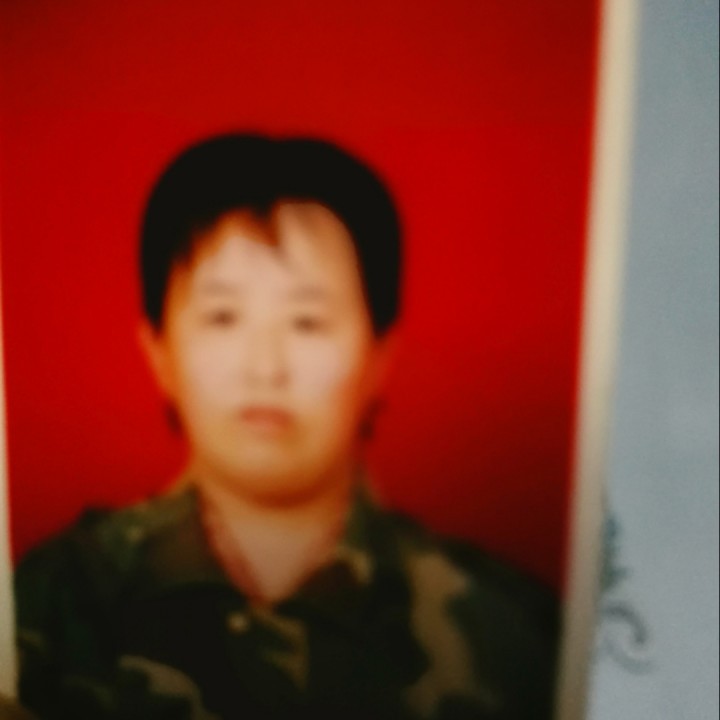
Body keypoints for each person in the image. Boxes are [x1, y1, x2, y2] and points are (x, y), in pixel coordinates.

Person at [14, 135, 559, 719]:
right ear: (159, 353)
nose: (265, 368)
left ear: (380, 356)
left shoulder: (511, 634)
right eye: (223, 316)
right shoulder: (45, 607)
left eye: (307, 321)